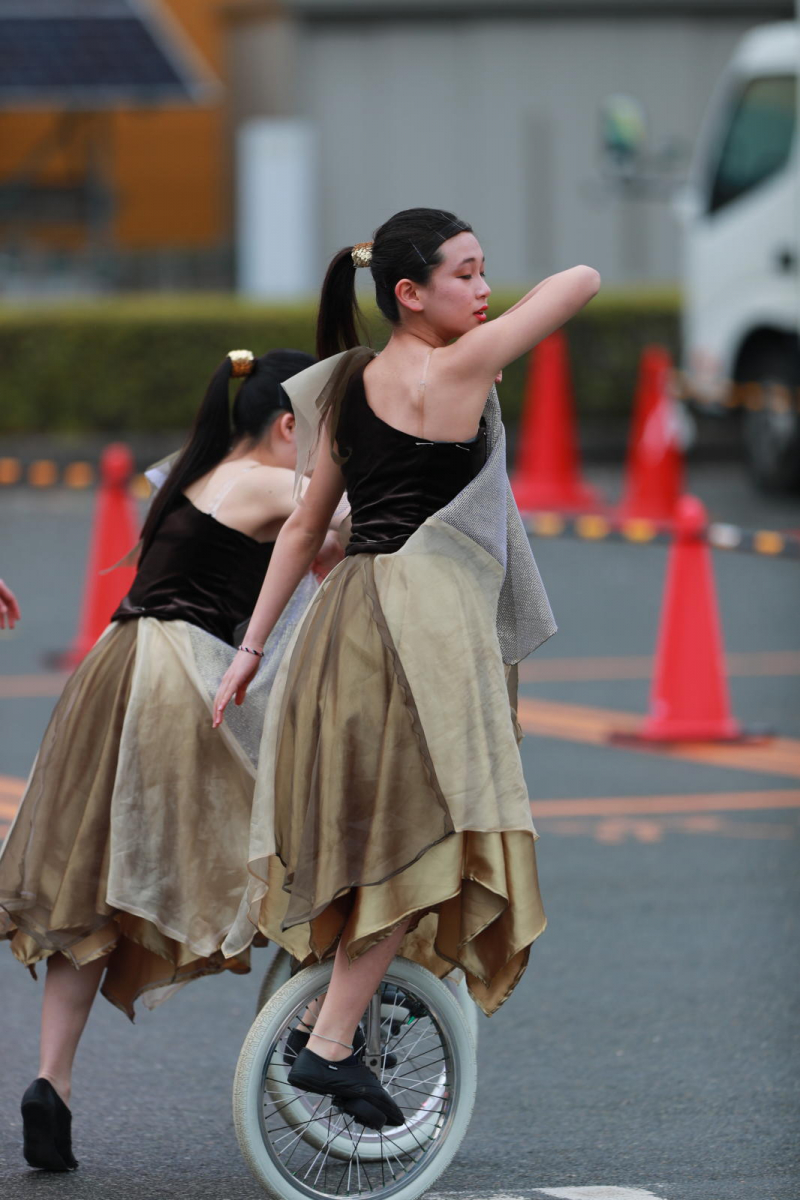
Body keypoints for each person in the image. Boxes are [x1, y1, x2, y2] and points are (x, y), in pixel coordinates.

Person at [214, 208, 601, 1130]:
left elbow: (307, 531)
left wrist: (253, 646)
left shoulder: (347, 384)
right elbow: (581, 278)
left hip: (343, 617)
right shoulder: (458, 366)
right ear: (408, 295)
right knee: (421, 836)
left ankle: (324, 1013)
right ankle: (334, 1043)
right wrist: (487, 328)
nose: (484, 290)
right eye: (466, 274)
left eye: (486, 272)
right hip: (425, 625)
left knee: (368, 828)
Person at [0, 346, 333, 1172]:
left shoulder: (191, 476)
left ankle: (53, 1082)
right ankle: (320, 1033)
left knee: (95, 883)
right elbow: (362, 524)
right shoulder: (270, 484)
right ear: (287, 425)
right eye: (321, 436)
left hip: (112, 666)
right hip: (179, 675)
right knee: (294, 847)